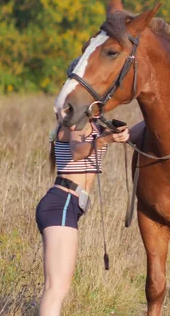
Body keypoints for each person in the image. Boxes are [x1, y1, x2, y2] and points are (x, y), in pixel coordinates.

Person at [36, 59, 142, 316]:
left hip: (67, 205)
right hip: (62, 203)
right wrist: (106, 139)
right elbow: (78, 151)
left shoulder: (89, 124)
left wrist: (120, 134)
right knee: (56, 288)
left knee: (59, 286)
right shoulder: (75, 123)